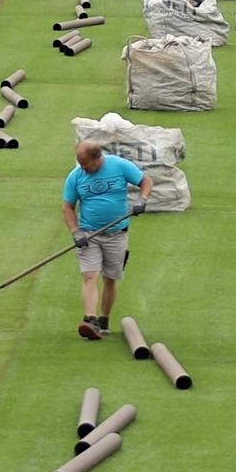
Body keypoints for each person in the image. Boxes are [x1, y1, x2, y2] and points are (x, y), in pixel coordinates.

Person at [61, 141, 150, 340]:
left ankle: (103, 320)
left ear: (97, 158)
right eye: (79, 162)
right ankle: (90, 319)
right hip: (89, 235)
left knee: (110, 278)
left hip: (117, 234)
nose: (82, 167)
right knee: (89, 276)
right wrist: (76, 232)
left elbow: (146, 181)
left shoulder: (119, 166)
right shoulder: (76, 177)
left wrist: (142, 201)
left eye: (85, 163)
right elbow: (67, 207)